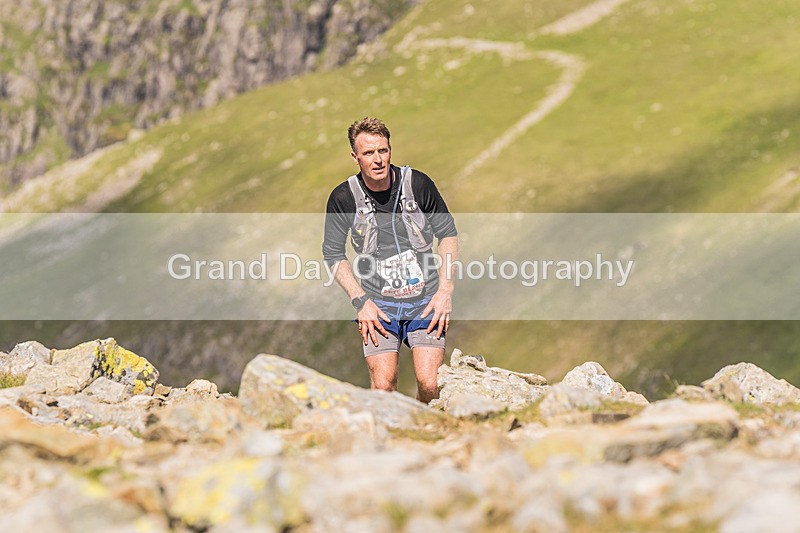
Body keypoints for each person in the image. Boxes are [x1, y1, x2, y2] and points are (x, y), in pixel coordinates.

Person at [323, 117, 458, 403]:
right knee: (383, 387)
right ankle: (388, 442)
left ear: (390, 150)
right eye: (368, 153)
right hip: (378, 303)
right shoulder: (344, 198)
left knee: (430, 383)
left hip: (425, 299)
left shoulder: (418, 184)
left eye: (382, 151)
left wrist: (445, 291)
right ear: (355, 157)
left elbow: (447, 234)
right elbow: (333, 253)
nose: (377, 159)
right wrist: (360, 301)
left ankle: (427, 437)